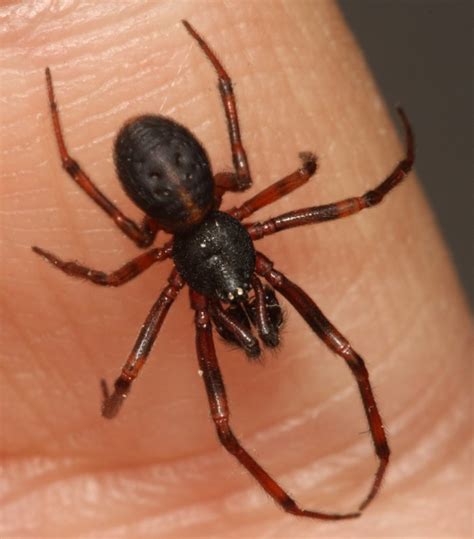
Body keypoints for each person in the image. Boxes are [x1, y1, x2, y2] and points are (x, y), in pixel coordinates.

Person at [1, 2, 471, 537]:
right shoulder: (224, 245)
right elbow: (110, 282)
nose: (241, 297)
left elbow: (364, 201)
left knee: (339, 362)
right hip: (192, 192)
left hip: (184, 198)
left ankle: (366, 469)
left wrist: (117, 394)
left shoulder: (177, 258)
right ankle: (301, 504)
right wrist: (306, 169)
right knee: (316, 374)